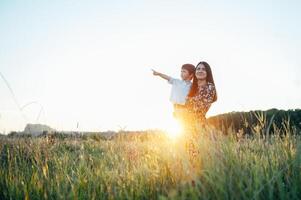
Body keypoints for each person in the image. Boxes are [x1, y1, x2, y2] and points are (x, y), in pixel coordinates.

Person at [186, 61, 217, 133]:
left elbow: (200, 110)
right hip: (186, 127)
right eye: (198, 69)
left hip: (199, 127)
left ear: (207, 72)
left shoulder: (209, 87)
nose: (200, 71)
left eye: (203, 69)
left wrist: (182, 110)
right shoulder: (191, 88)